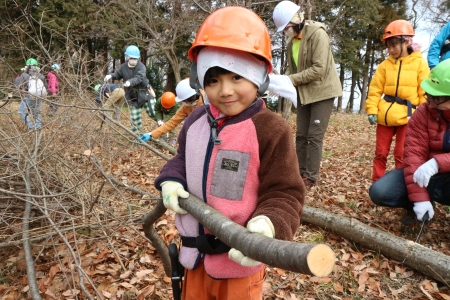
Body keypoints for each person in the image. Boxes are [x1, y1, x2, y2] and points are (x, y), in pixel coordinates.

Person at [154, 7, 305, 300]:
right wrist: (170, 180)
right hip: (193, 260)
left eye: (236, 77)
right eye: (213, 80)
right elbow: (181, 161)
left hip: (238, 266)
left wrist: (269, 224)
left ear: (259, 76)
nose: (224, 90)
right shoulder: (195, 121)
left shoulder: (270, 129)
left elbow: (286, 192)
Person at [369, 58, 450, 222]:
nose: (431, 102)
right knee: (381, 192)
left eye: (437, 98)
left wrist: (436, 163)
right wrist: (420, 199)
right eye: (429, 95)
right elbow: (414, 154)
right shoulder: (423, 112)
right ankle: (420, 208)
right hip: (423, 173)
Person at [272, 0, 343, 187]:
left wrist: (291, 80)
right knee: (301, 135)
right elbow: (293, 70)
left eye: (287, 27)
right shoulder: (291, 42)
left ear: (296, 20)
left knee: (314, 136)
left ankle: (310, 177)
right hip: (304, 92)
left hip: (323, 91)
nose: (286, 31)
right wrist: (280, 82)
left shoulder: (318, 34)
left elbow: (319, 69)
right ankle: (299, 172)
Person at [365, 20, 429, 182]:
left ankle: (399, 185)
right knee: (380, 153)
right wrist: (372, 110)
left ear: (406, 41)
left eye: (394, 45)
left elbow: (424, 93)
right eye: (388, 46)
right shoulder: (384, 66)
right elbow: (375, 90)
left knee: (402, 154)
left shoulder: (420, 64)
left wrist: (423, 116)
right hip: (385, 115)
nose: (390, 50)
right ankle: (377, 183)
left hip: (409, 116)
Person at [104, 45, 154, 134]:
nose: (133, 59)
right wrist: (111, 75)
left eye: (135, 58)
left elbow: (139, 77)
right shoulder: (123, 67)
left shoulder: (141, 67)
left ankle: (164, 131)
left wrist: (130, 82)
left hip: (145, 93)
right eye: (131, 57)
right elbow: (118, 74)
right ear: (127, 57)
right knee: (135, 118)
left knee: (153, 113)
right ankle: (137, 136)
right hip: (133, 95)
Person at [139, 78, 204, 144]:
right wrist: (151, 134)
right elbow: (172, 122)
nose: (182, 103)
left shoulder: (208, 99)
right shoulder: (185, 108)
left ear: (191, 98)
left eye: (184, 101)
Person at [15, 58, 47, 130]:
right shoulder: (41, 76)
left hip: (28, 96)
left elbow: (18, 84)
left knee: (21, 111)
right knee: (36, 112)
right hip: (38, 96)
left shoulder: (24, 75)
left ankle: (31, 127)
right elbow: (45, 86)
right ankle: (38, 127)